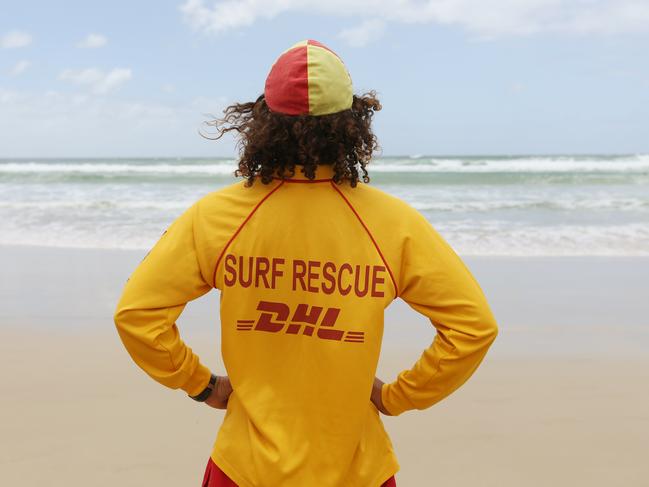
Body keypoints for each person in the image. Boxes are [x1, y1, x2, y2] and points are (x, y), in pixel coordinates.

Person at [113, 39, 498, 487]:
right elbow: (473, 327)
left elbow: (137, 315)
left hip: (245, 467)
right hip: (358, 469)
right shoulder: (392, 224)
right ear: (353, 124)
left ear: (262, 122)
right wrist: (398, 396)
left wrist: (202, 384)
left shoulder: (217, 219)